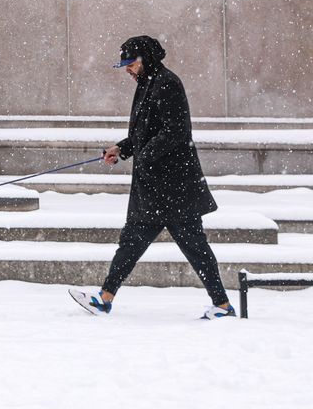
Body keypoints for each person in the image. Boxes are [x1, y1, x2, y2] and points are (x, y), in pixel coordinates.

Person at [70, 35, 237, 320]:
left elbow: (176, 132)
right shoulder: (148, 83)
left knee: (194, 246)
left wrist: (144, 156)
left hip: (174, 187)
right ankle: (105, 298)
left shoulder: (167, 84)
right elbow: (144, 133)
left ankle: (222, 306)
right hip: (154, 188)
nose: (127, 70)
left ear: (145, 59)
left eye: (131, 63)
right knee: (131, 242)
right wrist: (121, 149)